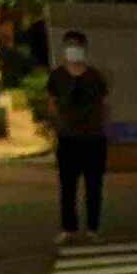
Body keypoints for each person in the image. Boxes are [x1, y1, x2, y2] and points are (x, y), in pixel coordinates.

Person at [46, 29, 109, 244]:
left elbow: (104, 105)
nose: (73, 49)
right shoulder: (58, 76)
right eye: (69, 45)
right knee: (68, 187)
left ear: (83, 48)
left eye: (77, 45)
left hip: (93, 138)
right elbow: (52, 103)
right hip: (68, 138)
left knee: (93, 186)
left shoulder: (94, 76)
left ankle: (93, 228)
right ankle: (68, 228)